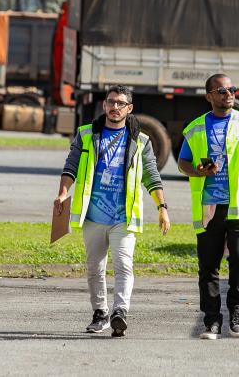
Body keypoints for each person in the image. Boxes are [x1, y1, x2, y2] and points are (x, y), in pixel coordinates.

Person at [54, 85, 170, 337]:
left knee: (123, 264)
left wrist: (162, 207)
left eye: (120, 103)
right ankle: (100, 313)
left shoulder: (141, 141)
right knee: (94, 268)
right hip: (93, 215)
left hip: (123, 216)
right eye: (110, 102)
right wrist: (63, 192)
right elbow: (71, 166)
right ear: (104, 105)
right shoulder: (86, 135)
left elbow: (151, 175)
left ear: (129, 109)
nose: (114, 107)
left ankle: (120, 312)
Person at [177, 73, 239, 340]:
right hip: (208, 207)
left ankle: (236, 310)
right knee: (207, 267)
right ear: (209, 96)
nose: (229, 94)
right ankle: (211, 321)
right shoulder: (196, 128)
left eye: (232, 89)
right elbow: (182, 163)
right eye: (222, 91)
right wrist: (199, 172)